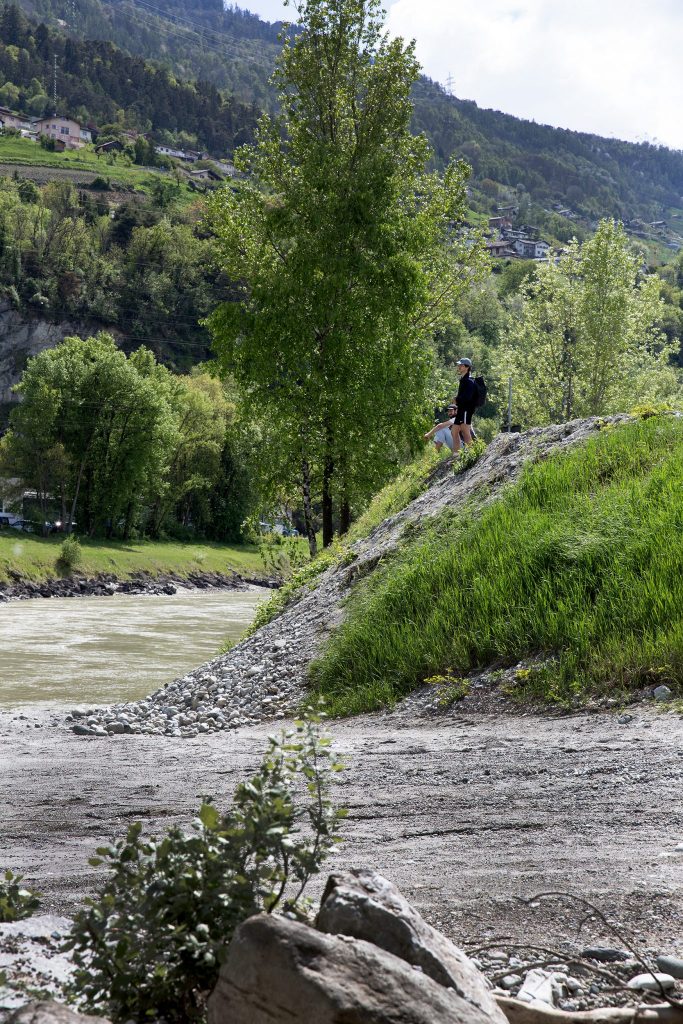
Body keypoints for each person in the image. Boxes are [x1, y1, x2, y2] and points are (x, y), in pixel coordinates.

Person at [452, 358, 477, 452]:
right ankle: (456, 454)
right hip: (462, 410)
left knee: (465, 432)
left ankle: (472, 453)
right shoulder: (463, 379)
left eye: (461, 365)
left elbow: (468, 397)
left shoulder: (469, 381)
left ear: (467, 367)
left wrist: (456, 399)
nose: (459, 366)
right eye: (459, 365)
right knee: (454, 431)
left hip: (467, 410)